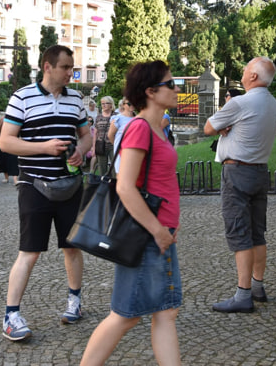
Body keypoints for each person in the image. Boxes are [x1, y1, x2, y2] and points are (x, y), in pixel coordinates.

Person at [80, 60, 182, 366]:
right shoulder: (139, 128)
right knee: (126, 316)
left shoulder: (157, 128)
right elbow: (125, 187)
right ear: (151, 92)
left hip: (160, 233)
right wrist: (158, 230)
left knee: (165, 311)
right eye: (171, 84)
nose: (177, 90)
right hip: (148, 234)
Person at [0, 45, 92, 341]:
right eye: (65, 67)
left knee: (72, 247)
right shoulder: (22, 97)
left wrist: (81, 151)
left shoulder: (75, 98)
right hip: (33, 185)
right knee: (30, 251)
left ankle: (74, 302)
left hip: (70, 184)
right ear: (47, 66)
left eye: (72, 68)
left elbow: (87, 135)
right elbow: (6, 143)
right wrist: (44, 147)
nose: (70, 73)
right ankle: (11, 315)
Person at [205, 57, 276, 313]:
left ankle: (243, 294)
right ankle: (258, 286)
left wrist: (226, 124)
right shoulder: (272, 103)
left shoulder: (240, 102)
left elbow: (208, 128)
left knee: (240, 233)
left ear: (254, 77)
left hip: (237, 171)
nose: (243, 72)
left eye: (247, 69)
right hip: (259, 171)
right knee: (258, 233)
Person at [91, 96, 115, 175]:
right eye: (102, 103)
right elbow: (95, 133)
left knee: (115, 169)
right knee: (102, 169)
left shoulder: (116, 116)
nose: (103, 105)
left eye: (106, 103)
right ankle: (104, 185)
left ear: (111, 105)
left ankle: (114, 185)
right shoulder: (98, 117)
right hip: (100, 146)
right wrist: (94, 148)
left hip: (113, 145)